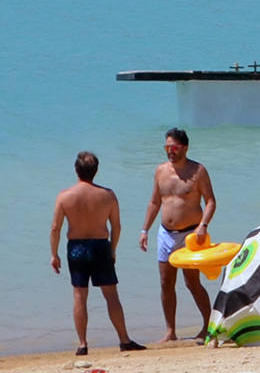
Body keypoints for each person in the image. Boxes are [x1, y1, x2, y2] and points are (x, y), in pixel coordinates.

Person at [50, 152, 146, 355]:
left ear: (76, 170)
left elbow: (55, 228)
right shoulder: (107, 195)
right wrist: (113, 249)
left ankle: (83, 344)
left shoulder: (64, 196)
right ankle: (124, 339)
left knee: (79, 295)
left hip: (76, 248)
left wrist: (54, 254)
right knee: (111, 295)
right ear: (96, 171)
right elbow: (117, 226)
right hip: (100, 246)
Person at [139, 128, 217, 342]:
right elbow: (154, 202)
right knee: (166, 282)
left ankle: (208, 325)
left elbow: (210, 201)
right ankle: (170, 331)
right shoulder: (160, 171)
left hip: (190, 234)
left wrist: (203, 225)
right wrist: (145, 229)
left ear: (184, 147)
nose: (170, 152)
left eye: (174, 147)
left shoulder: (198, 171)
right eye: (167, 148)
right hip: (165, 234)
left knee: (192, 282)